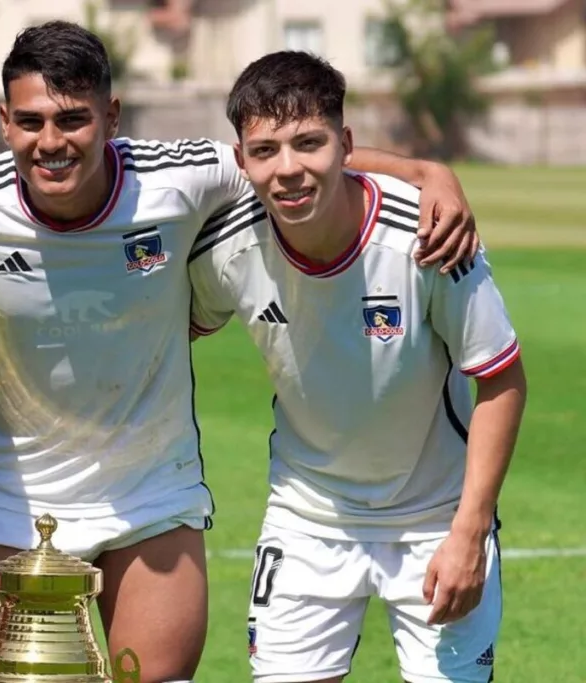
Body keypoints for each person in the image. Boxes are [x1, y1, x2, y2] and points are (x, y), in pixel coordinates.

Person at [0, 23, 481, 683]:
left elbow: (289, 162)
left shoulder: (182, 178)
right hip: (15, 497)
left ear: (112, 114)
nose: (51, 141)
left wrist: (424, 170)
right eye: (31, 122)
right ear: (4, 123)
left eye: (73, 120)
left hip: (152, 494)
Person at [188, 51, 527, 683]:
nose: (288, 169)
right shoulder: (228, 245)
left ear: (346, 143)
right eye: (265, 151)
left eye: (309, 143)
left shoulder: (429, 237)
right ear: (242, 162)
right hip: (307, 519)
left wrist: (470, 532)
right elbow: (166, 330)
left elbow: (501, 378)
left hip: (435, 521)